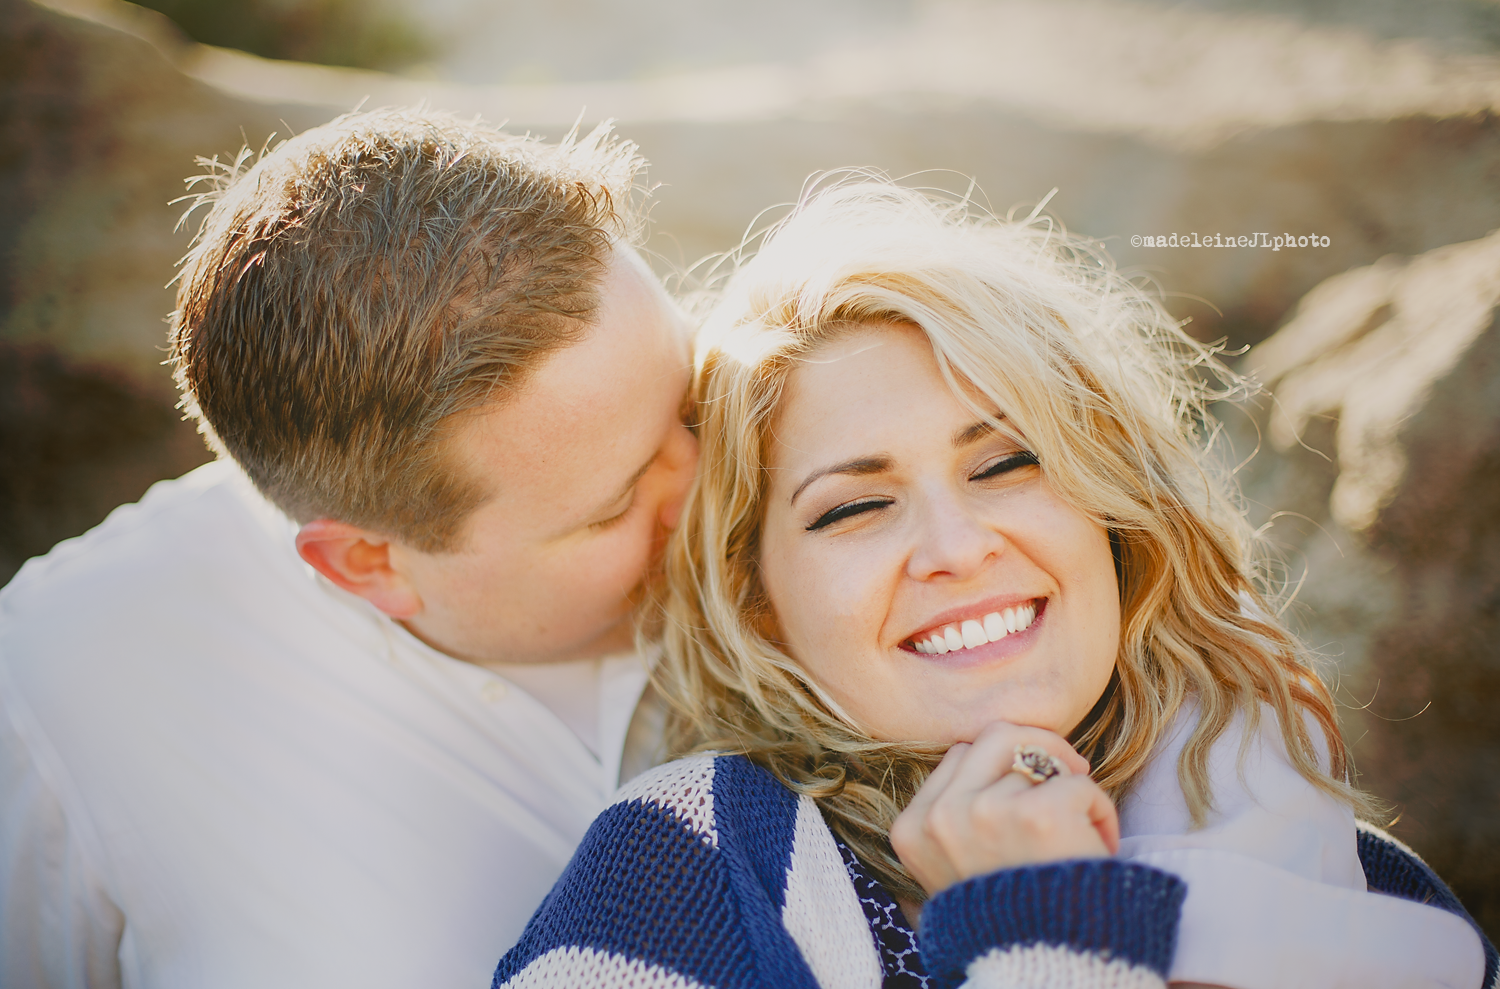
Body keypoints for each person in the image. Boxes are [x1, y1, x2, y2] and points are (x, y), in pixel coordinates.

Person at [492, 180, 1496, 989]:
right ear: (758, 600)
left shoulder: (1363, 886)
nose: (956, 546)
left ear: (1111, 510)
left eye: (1008, 463)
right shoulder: (688, 863)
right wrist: (1045, 922)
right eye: (852, 508)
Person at [0, 108, 697, 988]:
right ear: (367, 563)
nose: (713, 479)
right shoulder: (57, 681)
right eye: (621, 502)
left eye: (692, 403)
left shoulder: (823, 491)